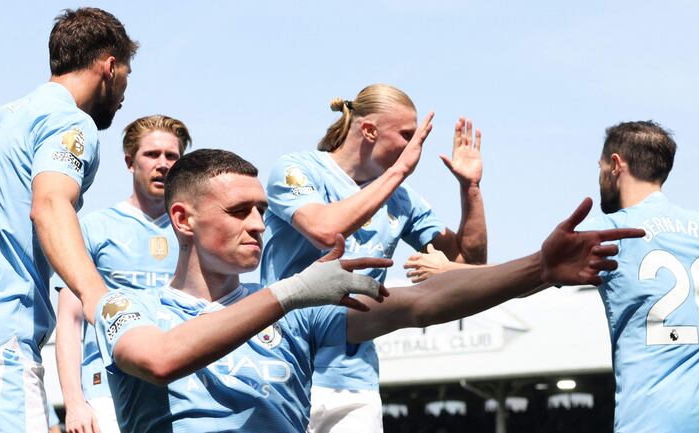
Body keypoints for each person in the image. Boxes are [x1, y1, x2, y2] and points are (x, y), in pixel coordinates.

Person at [94, 148, 644, 433]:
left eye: (263, 210)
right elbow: (160, 359)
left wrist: (537, 270)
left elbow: (420, 304)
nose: (259, 224)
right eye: (240, 211)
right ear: (184, 219)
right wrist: (288, 294)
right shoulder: (127, 306)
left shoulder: (297, 313)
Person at [260, 84, 486, 431]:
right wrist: (399, 172)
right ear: (369, 130)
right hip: (284, 365)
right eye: (407, 136)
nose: (415, 147)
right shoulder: (297, 169)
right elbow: (324, 229)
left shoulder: (403, 199)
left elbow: (470, 263)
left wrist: (469, 188)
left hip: (355, 381)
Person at [0, 7, 138, 433]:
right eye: (128, 75)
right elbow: (51, 205)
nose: (127, 91)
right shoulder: (68, 120)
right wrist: (98, 301)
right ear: (109, 67)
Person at [582, 121, 699, 432]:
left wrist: (449, 269)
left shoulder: (607, 231)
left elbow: (528, 276)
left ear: (616, 164)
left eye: (601, 165)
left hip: (650, 422)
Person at [56, 115, 192, 433]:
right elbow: (70, 321)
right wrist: (75, 402)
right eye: (152, 155)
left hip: (182, 391)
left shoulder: (194, 232)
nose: (163, 164)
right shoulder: (95, 227)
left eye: (172, 156)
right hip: (107, 392)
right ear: (130, 162)